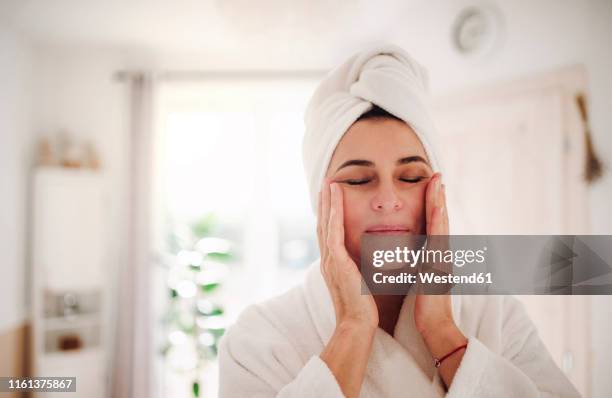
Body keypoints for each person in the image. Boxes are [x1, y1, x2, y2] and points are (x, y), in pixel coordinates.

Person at [217, 44, 580, 397]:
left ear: (437, 191)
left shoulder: (494, 313)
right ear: (321, 201)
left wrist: (442, 332)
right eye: (359, 179)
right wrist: (353, 328)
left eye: (410, 177)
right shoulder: (259, 340)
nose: (388, 200)